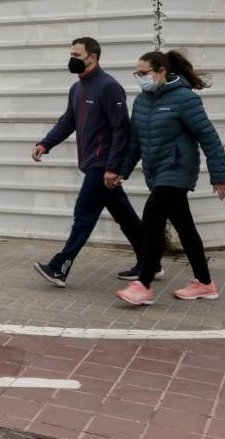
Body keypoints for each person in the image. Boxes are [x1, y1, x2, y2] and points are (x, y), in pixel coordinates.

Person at [114, 50, 225, 306]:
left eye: (144, 73)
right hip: (157, 172)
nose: (140, 78)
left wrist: (219, 176)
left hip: (177, 169)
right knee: (185, 228)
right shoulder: (143, 101)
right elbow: (135, 141)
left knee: (151, 220)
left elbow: (209, 138)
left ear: (161, 71)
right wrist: (121, 171)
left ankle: (143, 285)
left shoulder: (184, 99)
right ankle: (205, 283)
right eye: (137, 73)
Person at [31, 37, 149, 287]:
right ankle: (151, 262)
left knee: (83, 215)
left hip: (103, 163)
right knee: (124, 215)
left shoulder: (109, 86)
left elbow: (121, 129)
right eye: (71, 54)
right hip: (93, 163)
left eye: (76, 55)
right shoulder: (77, 88)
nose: (71, 59)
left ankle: (59, 267)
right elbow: (68, 121)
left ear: (92, 57)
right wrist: (46, 143)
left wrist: (114, 167)